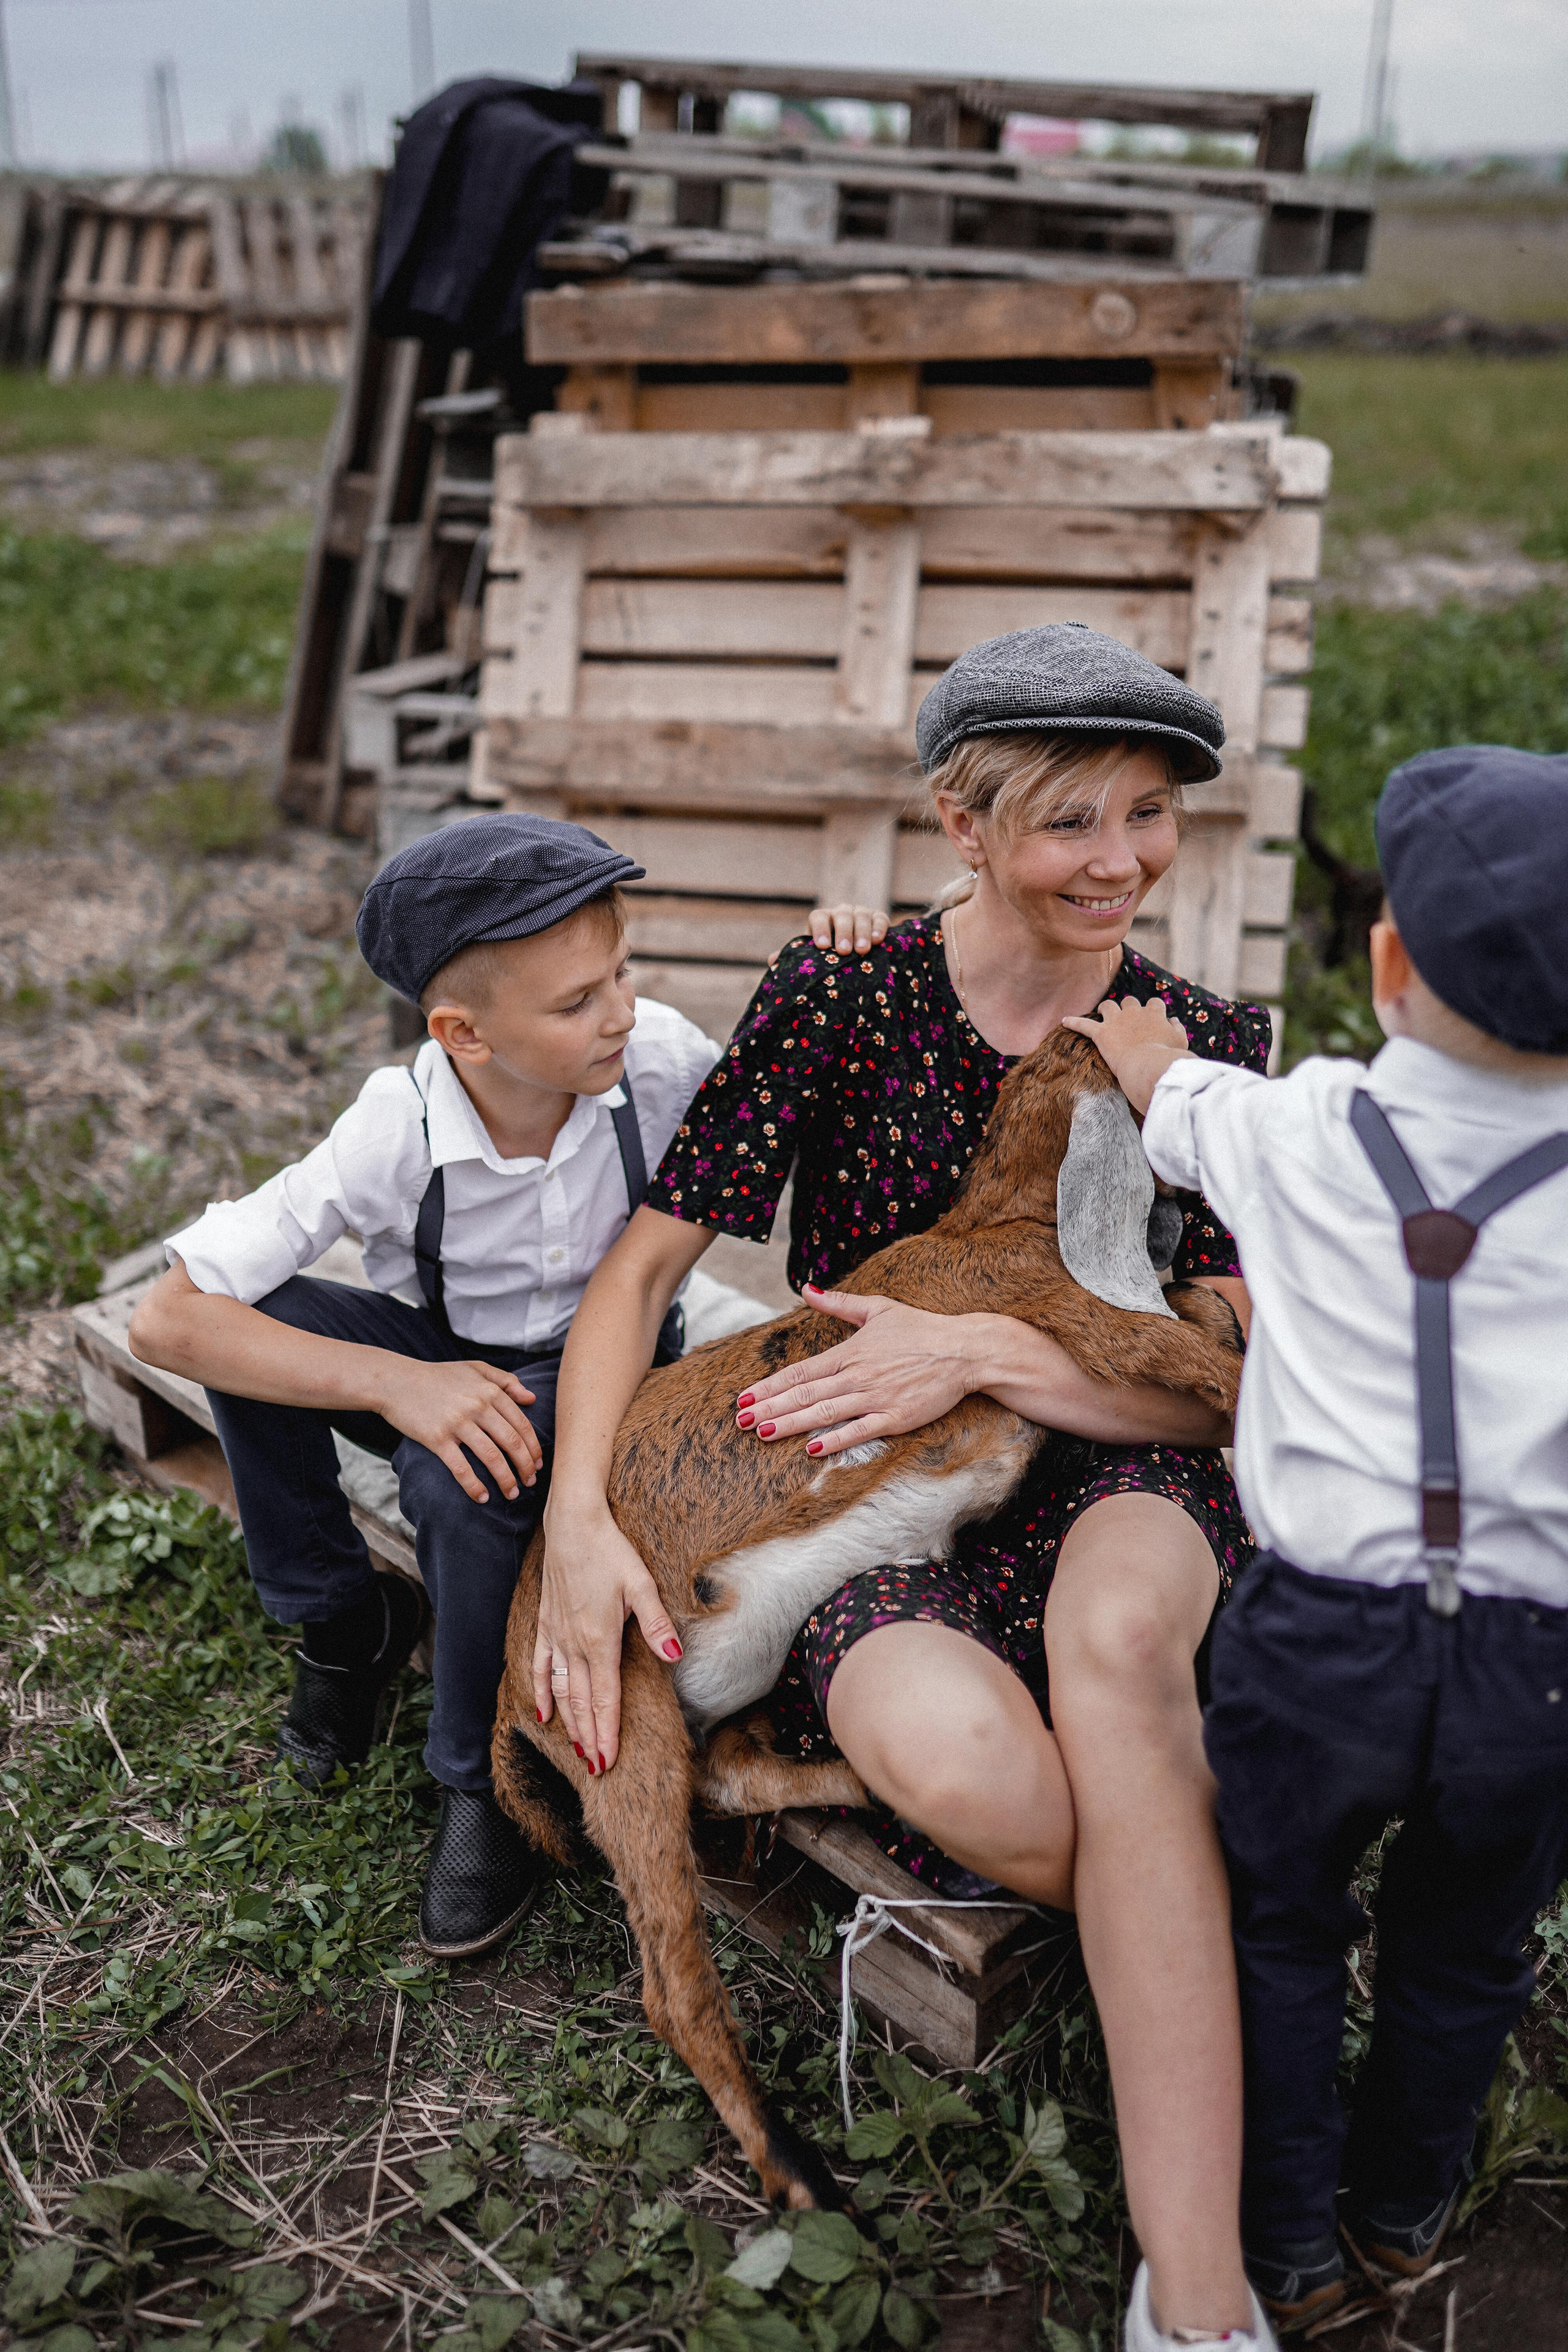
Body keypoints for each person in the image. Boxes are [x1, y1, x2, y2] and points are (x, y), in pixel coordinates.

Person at [538, 625, 1279, 2352]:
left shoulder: (1199, 1045)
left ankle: (1199, 2285)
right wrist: (579, 1525)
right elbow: (643, 1276)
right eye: (1070, 823)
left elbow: (1233, 1373)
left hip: (1120, 1462)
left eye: (1152, 816)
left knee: (1117, 1657)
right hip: (870, 1510)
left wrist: (991, 1360)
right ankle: (1247, 1911)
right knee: (983, 1782)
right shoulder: (841, 998)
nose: (1120, 863)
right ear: (962, 822)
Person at [1068, 745, 1568, 2335]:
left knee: (1275, 1919)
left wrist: (1142, 1042)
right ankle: (1406, 2207)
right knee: (1470, 1943)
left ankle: (1282, 2242)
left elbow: (1169, 1099)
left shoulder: (1302, 1128)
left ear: (1389, 962)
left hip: (1320, 1632)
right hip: (1536, 1664)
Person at [127, 813, 736, 1958]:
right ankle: (344, 1621)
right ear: (462, 1033)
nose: (619, 1012)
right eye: (575, 1002)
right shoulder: (393, 1126)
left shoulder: (660, 1061)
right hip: (447, 1347)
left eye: (622, 974)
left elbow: (787, 1096)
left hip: (619, 1372)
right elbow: (167, 1316)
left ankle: (481, 1778)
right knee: (256, 1322)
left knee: (460, 1481)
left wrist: (851, 948)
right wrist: (398, 1383)